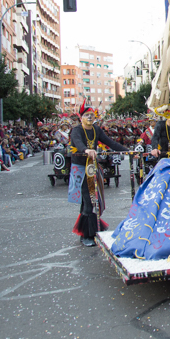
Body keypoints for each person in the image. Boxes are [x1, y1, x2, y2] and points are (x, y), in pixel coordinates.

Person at [68, 101, 128, 247]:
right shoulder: (76, 130)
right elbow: (77, 143)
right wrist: (86, 150)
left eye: (92, 115)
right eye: (86, 115)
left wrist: (127, 151)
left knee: (91, 201)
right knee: (89, 201)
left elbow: (110, 142)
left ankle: (89, 232)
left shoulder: (96, 130)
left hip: (92, 168)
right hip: (81, 169)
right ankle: (87, 235)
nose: (89, 117)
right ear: (81, 117)